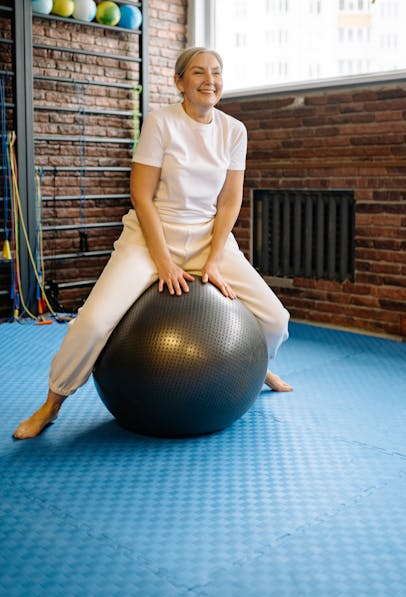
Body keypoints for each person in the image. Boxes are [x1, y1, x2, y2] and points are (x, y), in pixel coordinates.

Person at [13, 47, 292, 440]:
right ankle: (52, 403)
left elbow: (230, 201)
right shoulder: (161, 123)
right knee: (93, 322)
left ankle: (251, 365)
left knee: (276, 319)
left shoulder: (234, 131)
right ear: (180, 81)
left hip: (210, 238)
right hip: (150, 237)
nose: (209, 80)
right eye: (198, 72)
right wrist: (163, 262)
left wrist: (212, 260)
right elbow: (141, 196)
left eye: (216, 72)